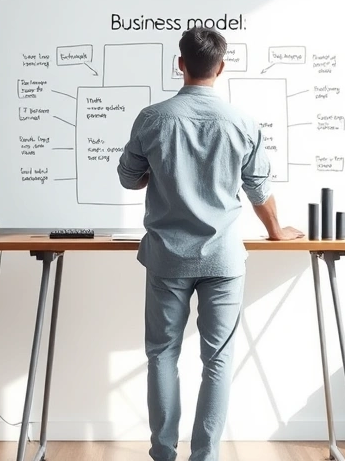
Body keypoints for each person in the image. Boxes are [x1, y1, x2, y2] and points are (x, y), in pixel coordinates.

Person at [117, 26, 303, 461]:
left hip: (167, 258)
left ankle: (163, 454)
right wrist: (276, 231)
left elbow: (128, 178)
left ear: (180, 64)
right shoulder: (244, 123)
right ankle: (206, 457)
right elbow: (258, 188)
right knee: (217, 360)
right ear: (220, 68)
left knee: (162, 354)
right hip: (222, 258)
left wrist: (158, 172)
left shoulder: (152, 118)